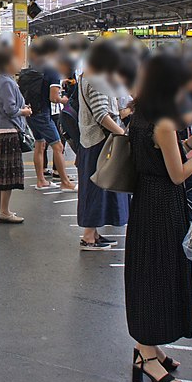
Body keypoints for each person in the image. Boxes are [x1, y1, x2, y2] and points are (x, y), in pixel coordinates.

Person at [124, 54, 192, 382]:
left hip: (144, 203)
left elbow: (160, 154)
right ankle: (148, 356)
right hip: (163, 206)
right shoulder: (164, 122)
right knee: (159, 276)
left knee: (146, 274)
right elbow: (179, 173)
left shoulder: (140, 116)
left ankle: (147, 349)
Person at [77, 41, 128, 250]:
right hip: (99, 140)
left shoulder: (86, 76)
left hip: (91, 140)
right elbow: (101, 114)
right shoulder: (97, 79)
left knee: (95, 186)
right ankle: (89, 235)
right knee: (96, 188)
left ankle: (94, 233)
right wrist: (121, 133)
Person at [0, 48, 31, 223]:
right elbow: (10, 109)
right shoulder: (7, 82)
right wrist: (25, 111)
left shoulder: (1, 80)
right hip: (9, 131)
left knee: (0, 170)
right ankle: (4, 211)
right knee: (9, 172)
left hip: (2, 130)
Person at [22, 38, 74, 190]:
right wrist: (64, 100)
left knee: (40, 144)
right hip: (43, 114)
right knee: (58, 146)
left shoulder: (35, 68)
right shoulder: (53, 71)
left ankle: (41, 180)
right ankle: (65, 182)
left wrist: (59, 82)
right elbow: (53, 97)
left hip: (32, 112)